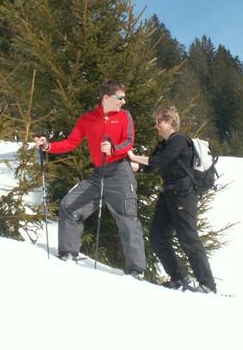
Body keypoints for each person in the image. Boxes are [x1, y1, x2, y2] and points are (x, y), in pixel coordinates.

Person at [34, 80, 146, 278]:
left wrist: (114, 149)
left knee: (128, 219)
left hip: (120, 173)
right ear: (107, 98)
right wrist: (48, 146)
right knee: (69, 206)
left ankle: (136, 271)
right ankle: (68, 254)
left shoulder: (124, 116)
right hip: (99, 174)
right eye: (120, 97)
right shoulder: (88, 118)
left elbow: (129, 142)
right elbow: (71, 142)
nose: (123, 101)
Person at [127, 105, 217, 293]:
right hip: (168, 194)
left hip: (183, 195)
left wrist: (135, 156)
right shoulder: (164, 144)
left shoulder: (179, 140)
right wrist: (134, 165)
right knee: (157, 237)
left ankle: (208, 285)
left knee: (188, 238)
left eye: (158, 121)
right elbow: (150, 166)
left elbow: (161, 161)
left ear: (169, 121)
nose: (156, 125)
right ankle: (179, 278)